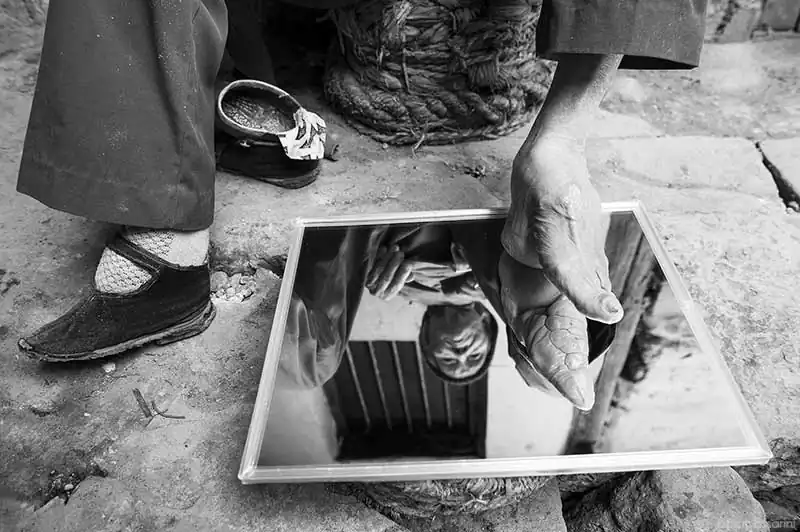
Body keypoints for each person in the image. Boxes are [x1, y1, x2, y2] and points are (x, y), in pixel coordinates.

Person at [15, 0, 708, 410]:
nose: (458, 349)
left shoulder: (393, 288)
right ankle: (172, 193)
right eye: (470, 356)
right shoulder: (404, 287)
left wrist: (561, 139)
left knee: (307, 367)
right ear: (481, 334)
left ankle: (233, 102)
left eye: (448, 358)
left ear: (432, 336)